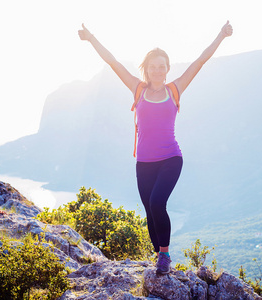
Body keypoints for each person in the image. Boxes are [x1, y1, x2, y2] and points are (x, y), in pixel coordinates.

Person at [78, 21, 233, 275]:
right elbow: (113, 63)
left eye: (162, 67)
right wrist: (91, 38)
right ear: (146, 70)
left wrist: (221, 35)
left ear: (167, 69)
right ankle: (158, 255)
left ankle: (164, 254)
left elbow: (199, 62)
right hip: (144, 162)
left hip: (171, 158)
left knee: (157, 201)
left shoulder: (175, 89)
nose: (158, 71)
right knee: (150, 211)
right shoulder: (137, 89)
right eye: (153, 67)